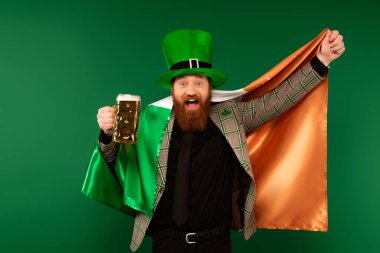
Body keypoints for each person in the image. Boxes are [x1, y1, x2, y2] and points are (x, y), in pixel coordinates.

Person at [83, 29, 345, 252]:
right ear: (173, 91)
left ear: (210, 88)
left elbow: (278, 100)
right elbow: (113, 161)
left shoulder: (233, 116)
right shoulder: (150, 121)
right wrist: (107, 134)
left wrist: (321, 60)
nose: (191, 90)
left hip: (215, 243)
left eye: (199, 83)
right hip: (165, 243)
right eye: (182, 84)